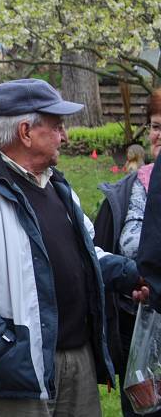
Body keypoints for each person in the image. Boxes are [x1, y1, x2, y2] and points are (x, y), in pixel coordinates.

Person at [0, 78, 144, 416]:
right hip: (18, 373)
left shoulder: (58, 188)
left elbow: (88, 254)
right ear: (26, 132)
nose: (65, 136)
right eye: (57, 126)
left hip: (78, 361)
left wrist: (132, 275)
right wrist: (3, 350)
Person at [96, 89, 161, 416]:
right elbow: (130, 243)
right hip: (140, 321)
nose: (159, 135)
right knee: (143, 408)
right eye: (155, 126)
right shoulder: (136, 186)